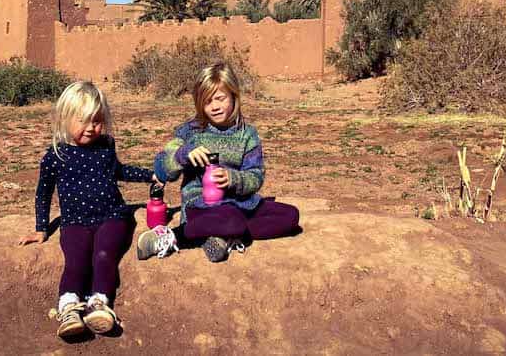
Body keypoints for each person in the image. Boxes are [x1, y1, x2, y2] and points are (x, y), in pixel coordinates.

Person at [18, 81, 159, 338]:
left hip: (112, 216)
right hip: (74, 221)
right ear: (65, 118)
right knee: (76, 260)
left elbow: (119, 171)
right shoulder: (56, 155)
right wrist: (41, 228)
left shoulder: (106, 146)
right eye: (84, 121)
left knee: (104, 254)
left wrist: (150, 176)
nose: (92, 128)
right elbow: (44, 192)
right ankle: (69, 307)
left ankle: (100, 304)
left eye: (97, 120)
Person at [138, 63, 300, 263]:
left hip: (239, 202)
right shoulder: (191, 131)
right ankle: (172, 235)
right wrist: (183, 154)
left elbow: (255, 176)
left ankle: (222, 236)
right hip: (201, 205)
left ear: (233, 95)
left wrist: (233, 178)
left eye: (220, 98)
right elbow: (162, 169)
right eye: (207, 102)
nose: (214, 106)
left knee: (290, 216)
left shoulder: (247, 134)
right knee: (233, 219)